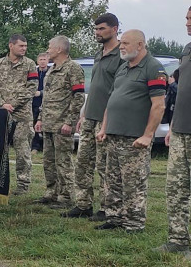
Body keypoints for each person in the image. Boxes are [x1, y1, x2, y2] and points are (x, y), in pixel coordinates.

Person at [95, 29, 167, 233]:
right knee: (113, 179)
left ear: (140, 45)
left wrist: (147, 135)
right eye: (122, 43)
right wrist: (104, 127)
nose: (122, 46)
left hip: (134, 137)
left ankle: (134, 223)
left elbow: (158, 105)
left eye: (126, 43)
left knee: (133, 182)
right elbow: (112, 99)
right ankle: (115, 217)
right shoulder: (124, 67)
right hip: (114, 135)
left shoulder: (153, 68)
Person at [63, 12, 121, 219]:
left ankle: (107, 208)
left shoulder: (121, 55)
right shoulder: (99, 53)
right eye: (95, 29)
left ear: (114, 29)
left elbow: (117, 90)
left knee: (105, 165)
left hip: (108, 119)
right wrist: (83, 114)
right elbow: (96, 88)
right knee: (82, 162)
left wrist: (106, 121)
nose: (97, 33)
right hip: (90, 116)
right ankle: (83, 204)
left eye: (101, 29)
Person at [35, 36, 85, 207]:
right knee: (49, 161)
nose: (47, 50)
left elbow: (78, 97)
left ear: (59, 49)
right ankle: (51, 192)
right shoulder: (51, 69)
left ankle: (66, 196)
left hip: (62, 124)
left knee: (63, 161)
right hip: (49, 123)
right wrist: (40, 118)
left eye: (50, 47)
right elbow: (47, 97)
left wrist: (70, 122)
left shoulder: (73, 69)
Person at [0, 34, 39, 194]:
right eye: (21, 46)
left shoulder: (30, 64)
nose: (24, 48)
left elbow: (31, 87)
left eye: (25, 46)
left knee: (23, 151)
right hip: (2, 114)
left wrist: (14, 104)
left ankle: (23, 186)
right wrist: (2, 103)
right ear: (11, 46)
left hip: (22, 116)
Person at [158, 7, 191, 256]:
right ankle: (178, 240)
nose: (187, 23)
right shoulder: (187, 51)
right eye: (186, 19)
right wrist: (172, 127)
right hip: (181, 129)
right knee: (176, 187)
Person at [31, 52, 49, 151]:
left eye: (44, 60)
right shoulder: (34, 72)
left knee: (44, 125)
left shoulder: (50, 72)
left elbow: (52, 88)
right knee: (34, 124)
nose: (42, 62)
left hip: (46, 102)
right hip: (34, 103)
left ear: (48, 60)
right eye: (41, 60)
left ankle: (45, 146)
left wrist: (41, 93)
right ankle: (35, 146)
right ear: (38, 61)